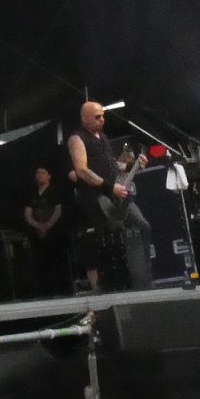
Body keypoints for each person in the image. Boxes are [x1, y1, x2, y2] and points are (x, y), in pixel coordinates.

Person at [64, 100, 151, 291]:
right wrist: (109, 187)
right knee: (110, 238)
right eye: (97, 117)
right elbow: (81, 170)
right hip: (99, 198)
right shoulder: (77, 138)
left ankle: (144, 279)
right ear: (84, 119)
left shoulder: (103, 137)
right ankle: (113, 284)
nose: (102, 120)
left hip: (116, 195)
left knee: (142, 226)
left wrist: (133, 165)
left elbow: (113, 165)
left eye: (103, 116)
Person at [22, 165, 70, 296]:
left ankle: (63, 291)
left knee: (58, 262)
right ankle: (46, 293)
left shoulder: (55, 191)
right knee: (41, 264)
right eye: (37, 173)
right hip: (38, 235)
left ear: (49, 176)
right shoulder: (32, 194)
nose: (39, 175)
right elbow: (27, 214)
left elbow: (58, 210)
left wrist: (48, 225)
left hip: (55, 233)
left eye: (42, 173)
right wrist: (38, 226)